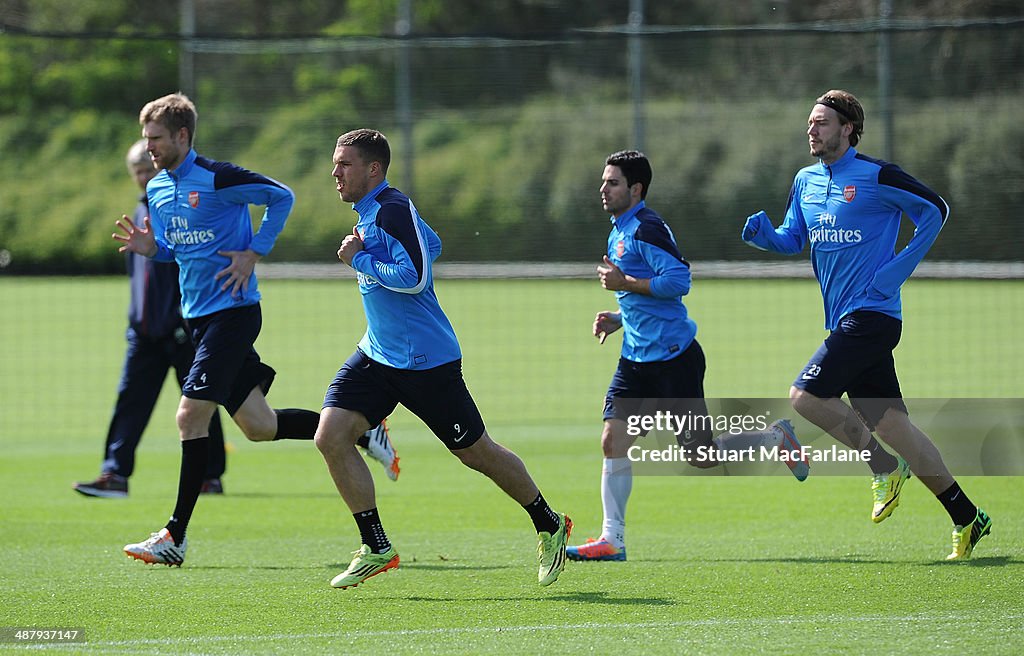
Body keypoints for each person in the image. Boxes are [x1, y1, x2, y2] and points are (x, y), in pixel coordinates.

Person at [113, 94, 398, 567]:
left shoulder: (220, 178)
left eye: (156, 139)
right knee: (259, 427)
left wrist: (254, 251)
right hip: (200, 321)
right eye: (146, 140)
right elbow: (176, 248)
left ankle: (174, 537)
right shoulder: (159, 191)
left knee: (189, 417)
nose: (149, 149)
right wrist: (153, 248)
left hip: (235, 314)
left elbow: (281, 196)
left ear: (182, 136)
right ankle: (364, 433)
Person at [314, 128, 571, 589]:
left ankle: (549, 522)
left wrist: (360, 260)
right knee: (331, 435)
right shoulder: (375, 213)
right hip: (377, 354)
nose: (335, 172)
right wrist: (373, 254)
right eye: (335, 163)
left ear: (374, 169)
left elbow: (414, 277)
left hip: (425, 362)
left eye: (344, 164)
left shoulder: (391, 209)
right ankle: (376, 546)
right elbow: (431, 245)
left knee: (477, 453)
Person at [741, 89, 991, 560]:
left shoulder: (878, 176)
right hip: (846, 321)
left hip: (873, 315)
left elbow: (935, 211)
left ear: (848, 129)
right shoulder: (805, 181)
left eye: (821, 122)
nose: (811, 130)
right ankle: (967, 516)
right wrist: (764, 238)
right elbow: (794, 238)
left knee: (806, 397)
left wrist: (896, 270)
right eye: (810, 123)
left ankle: (881, 467)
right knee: (896, 427)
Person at [566, 150, 809, 563]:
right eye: (603, 182)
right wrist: (619, 317)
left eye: (612, 183)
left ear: (635, 189)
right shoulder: (619, 229)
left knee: (701, 455)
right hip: (636, 361)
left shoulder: (646, 228)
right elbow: (643, 290)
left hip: (675, 361)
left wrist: (625, 282)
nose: (602, 189)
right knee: (612, 440)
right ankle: (613, 540)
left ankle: (776, 437)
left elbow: (679, 280)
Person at [74, 139, 228, 499]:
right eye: (137, 172)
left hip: (182, 327)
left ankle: (211, 475)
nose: (142, 177)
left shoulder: (174, 207)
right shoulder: (140, 210)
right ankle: (114, 474)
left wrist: (180, 316)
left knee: (202, 400)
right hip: (143, 330)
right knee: (130, 400)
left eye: (147, 169)